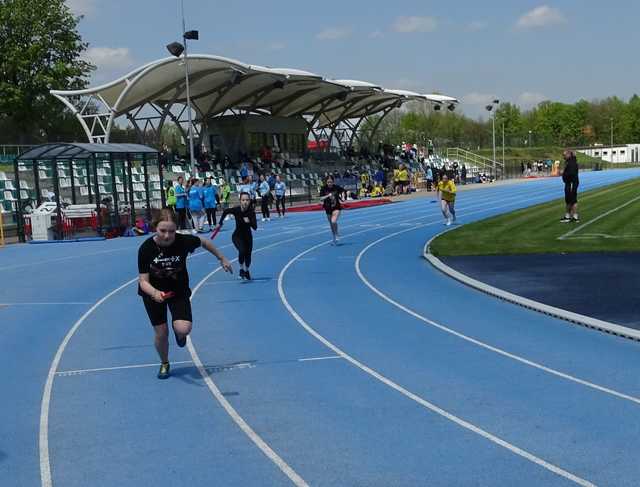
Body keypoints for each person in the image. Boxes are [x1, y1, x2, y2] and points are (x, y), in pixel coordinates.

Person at [138, 208, 232, 379]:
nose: (167, 235)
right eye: (163, 231)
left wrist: (221, 257)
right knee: (161, 333)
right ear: (155, 228)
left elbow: (204, 242)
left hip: (177, 290)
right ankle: (165, 362)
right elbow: (143, 281)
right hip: (153, 293)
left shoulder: (183, 241)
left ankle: (179, 333)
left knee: (183, 329)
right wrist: (155, 293)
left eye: (172, 231)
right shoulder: (146, 249)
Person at [216, 192, 257, 280]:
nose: (245, 202)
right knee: (242, 251)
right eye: (243, 200)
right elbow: (226, 211)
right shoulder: (236, 210)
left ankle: (246, 271)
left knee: (248, 256)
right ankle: (241, 270)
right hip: (237, 236)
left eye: (247, 200)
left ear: (249, 201)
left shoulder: (251, 212)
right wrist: (220, 222)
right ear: (240, 201)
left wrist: (249, 222)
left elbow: (255, 227)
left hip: (248, 238)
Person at [319, 175, 344, 245]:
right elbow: (321, 198)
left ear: (333, 182)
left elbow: (343, 191)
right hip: (328, 208)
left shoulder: (336, 187)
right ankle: (334, 238)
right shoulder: (323, 188)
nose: (330, 183)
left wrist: (345, 195)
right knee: (331, 224)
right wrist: (327, 196)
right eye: (328, 182)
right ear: (326, 182)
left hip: (336, 207)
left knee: (333, 221)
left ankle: (337, 234)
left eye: (331, 182)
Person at [561, 150, 579, 222]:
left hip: (571, 183)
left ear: (568, 155)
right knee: (569, 199)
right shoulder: (571, 161)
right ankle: (569, 215)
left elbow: (571, 173)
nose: (563, 157)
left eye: (564, 155)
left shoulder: (571, 162)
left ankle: (573, 216)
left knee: (572, 199)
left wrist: (563, 173)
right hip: (570, 182)